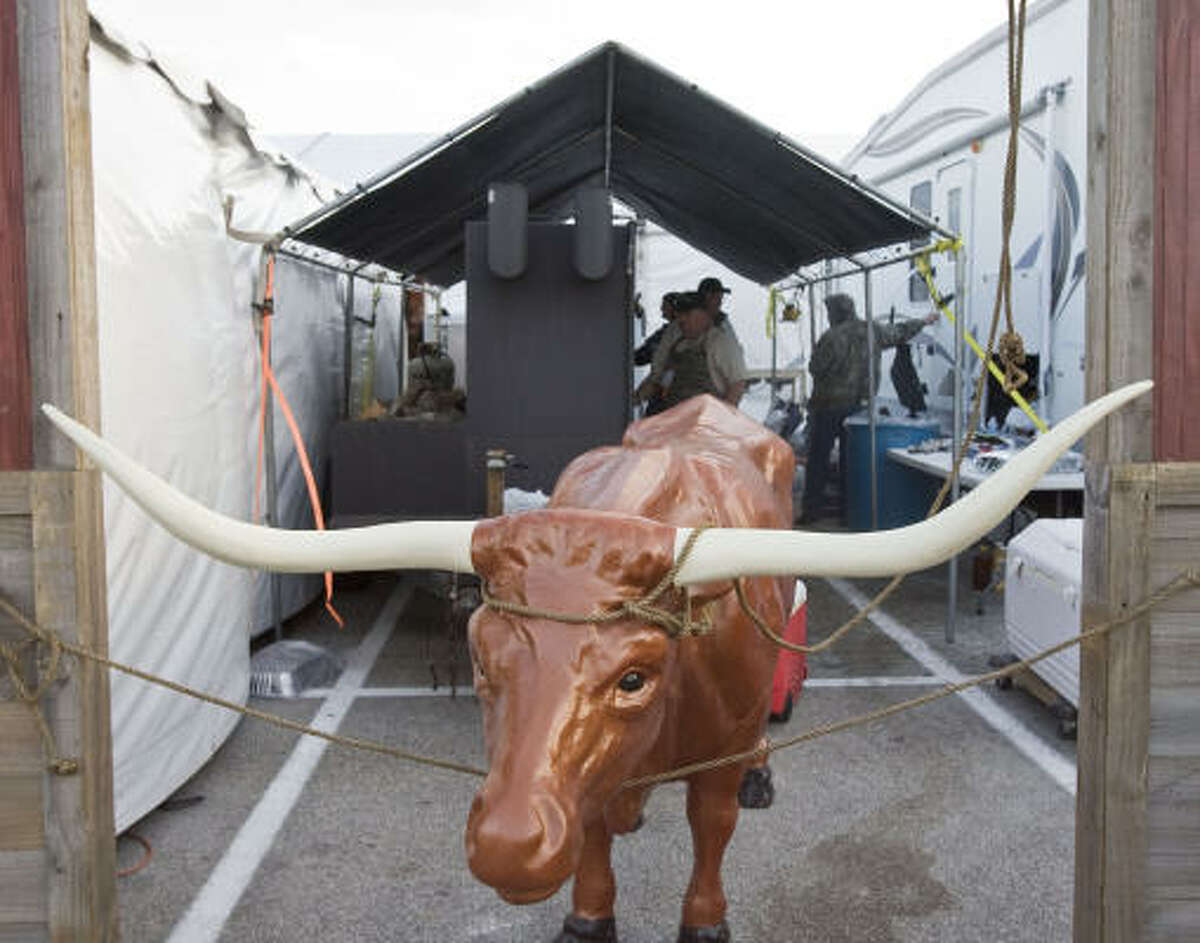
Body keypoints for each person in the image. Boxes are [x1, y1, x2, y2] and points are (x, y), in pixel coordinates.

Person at [798, 293, 938, 525]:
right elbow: (900, 331)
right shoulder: (873, 330)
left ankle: (812, 511)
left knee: (818, 459)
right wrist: (924, 321)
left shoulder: (831, 337)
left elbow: (816, 368)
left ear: (834, 313)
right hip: (859, 407)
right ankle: (847, 511)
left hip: (828, 406)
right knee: (849, 461)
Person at [635, 291, 748, 410]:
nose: (680, 326)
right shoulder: (678, 342)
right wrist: (635, 399)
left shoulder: (720, 342)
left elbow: (737, 384)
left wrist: (723, 419)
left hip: (706, 421)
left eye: (684, 321)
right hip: (674, 418)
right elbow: (657, 379)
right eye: (679, 322)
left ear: (701, 315)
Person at [634, 292, 680, 367]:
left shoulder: (669, 333)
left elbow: (641, 356)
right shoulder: (668, 331)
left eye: (665, 306)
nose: (661, 308)